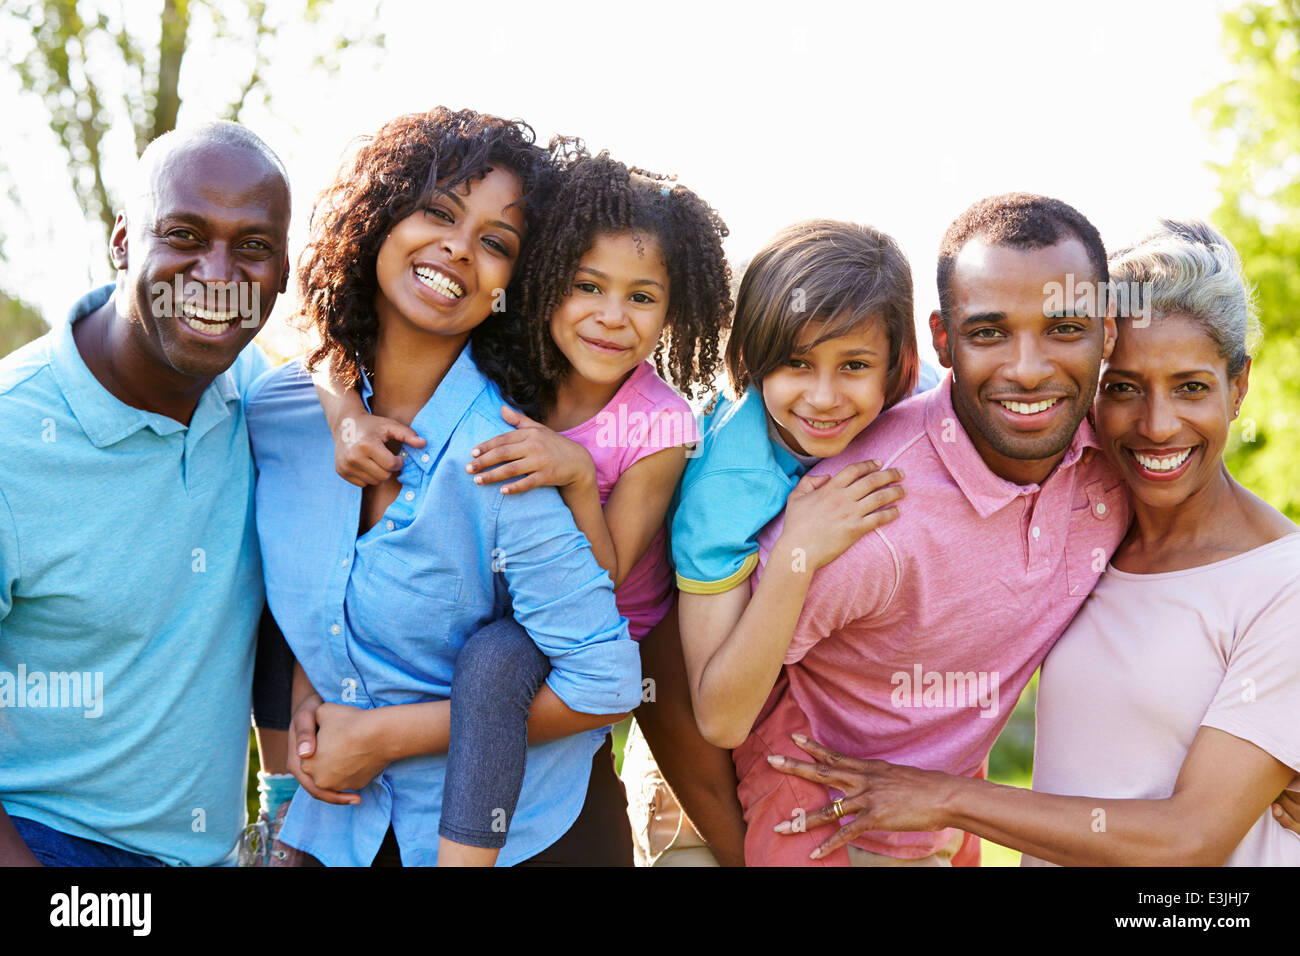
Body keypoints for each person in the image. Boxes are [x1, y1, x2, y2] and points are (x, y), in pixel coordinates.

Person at [769, 220, 1300, 866]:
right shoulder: (1097, 508)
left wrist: (944, 798)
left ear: (1238, 387)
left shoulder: (1282, 582)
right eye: (1124, 389)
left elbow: (1193, 837)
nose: (1158, 426)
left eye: (1191, 387)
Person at [245, 108, 643, 867]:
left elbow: (607, 680)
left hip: (527, 836)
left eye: (497, 243)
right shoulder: (278, 416)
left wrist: (383, 735)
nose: (459, 249)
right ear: (379, 220)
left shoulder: (501, 457)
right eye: (437, 211)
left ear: (516, 284)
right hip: (347, 825)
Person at [323, 146, 735, 865]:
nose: (611, 318)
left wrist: (577, 475)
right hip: (504, 598)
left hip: (592, 629)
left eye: (641, 298)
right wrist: (342, 419)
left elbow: (604, 573)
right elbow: (330, 351)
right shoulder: (516, 370)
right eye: (588, 287)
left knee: (492, 665)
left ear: (674, 312)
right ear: (546, 283)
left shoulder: (661, 426)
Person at [728, 193, 1133, 866]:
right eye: (989, 332)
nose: (1028, 369)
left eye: (1064, 328)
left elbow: (1218, 571)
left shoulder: (1116, 468)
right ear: (943, 340)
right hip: (807, 825)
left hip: (939, 827)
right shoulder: (864, 511)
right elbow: (701, 703)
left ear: (1108, 335)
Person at [0, 122, 291, 866]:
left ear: (284, 270)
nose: (218, 274)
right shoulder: (11, 438)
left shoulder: (261, 401)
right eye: (185, 234)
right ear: (124, 242)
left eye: (252, 246)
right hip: (45, 842)